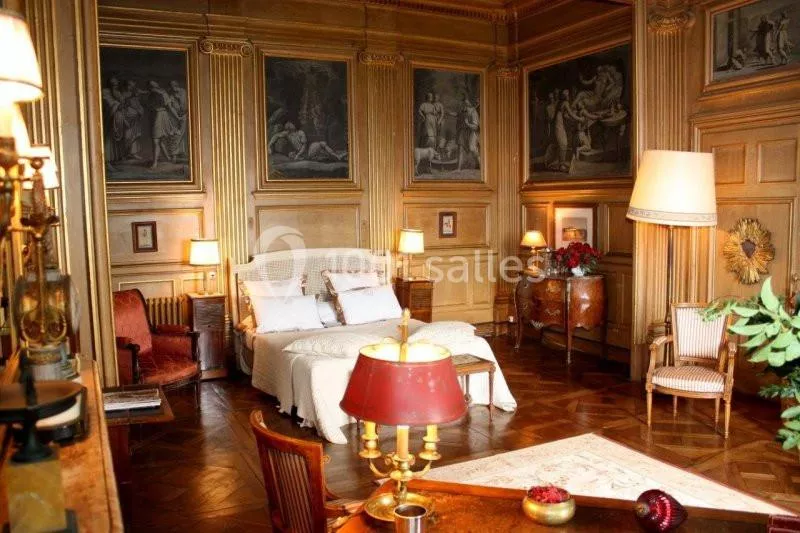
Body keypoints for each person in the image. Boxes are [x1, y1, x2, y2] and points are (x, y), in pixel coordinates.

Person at [147, 80, 178, 169]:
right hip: (154, 117)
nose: (152, 88)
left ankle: (156, 162)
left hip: (162, 116)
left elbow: (170, 107)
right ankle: (166, 158)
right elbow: (149, 107)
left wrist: (177, 117)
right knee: (158, 141)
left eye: (153, 86)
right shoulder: (150, 95)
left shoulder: (163, 93)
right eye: (150, 86)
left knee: (158, 140)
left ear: (156, 86)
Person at [456, 96, 480, 171]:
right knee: (460, 148)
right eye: (463, 104)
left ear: (468, 104)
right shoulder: (462, 112)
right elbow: (457, 115)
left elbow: (475, 127)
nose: (463, 106)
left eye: (465, 104)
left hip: (471, 132)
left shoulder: (473, 112)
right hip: (463, 131)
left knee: (472, 149)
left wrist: (467, 124)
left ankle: (479, 163)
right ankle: (459, 168)